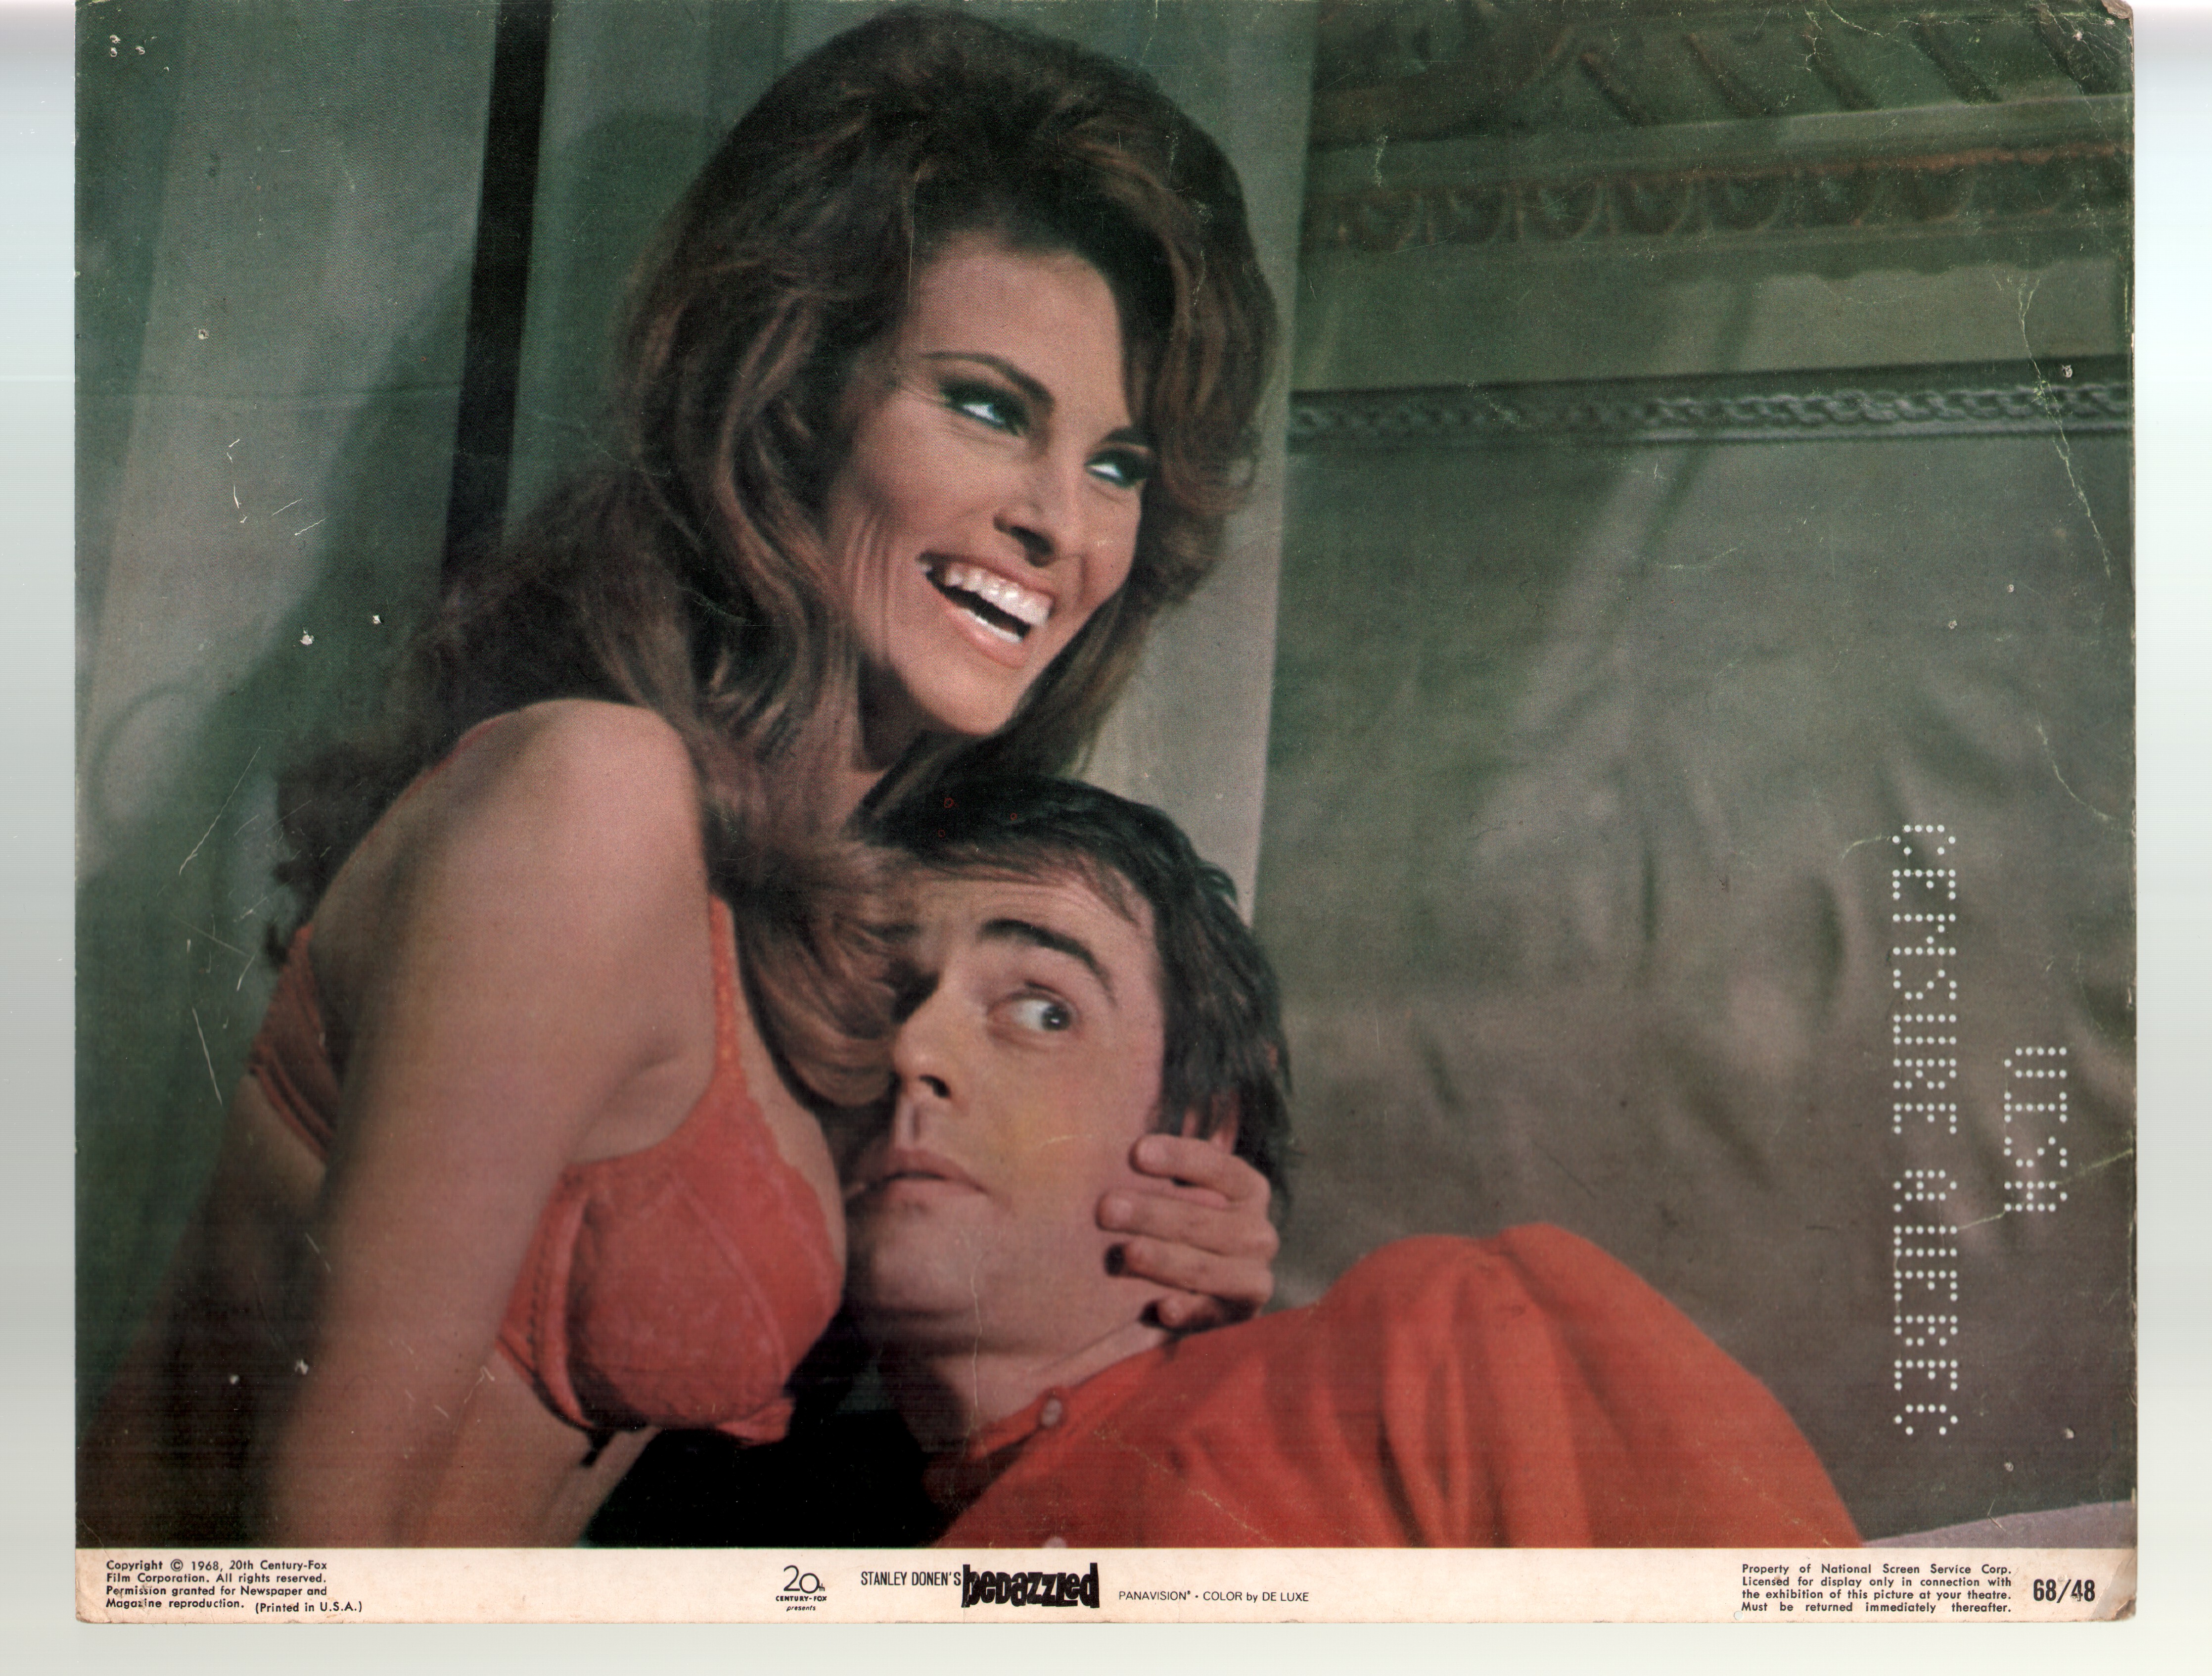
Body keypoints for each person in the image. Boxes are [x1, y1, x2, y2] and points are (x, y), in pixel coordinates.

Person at [77, 8, 1282, 1548]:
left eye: (1117, 464)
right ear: (792, 398)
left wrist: (1157, 1246)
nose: (1060, 519)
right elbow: (314, 1530)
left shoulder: (836, 936)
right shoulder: (594, 799)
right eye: (989, 406)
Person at [826, 774, 1861, 1547]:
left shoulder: (1433, 1346)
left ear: (1200, 1128)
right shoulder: (793, 1523)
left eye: (1042, 1011)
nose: (913, 1049)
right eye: (878, 1001)